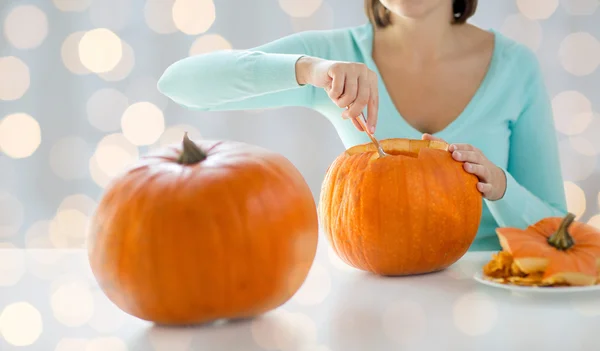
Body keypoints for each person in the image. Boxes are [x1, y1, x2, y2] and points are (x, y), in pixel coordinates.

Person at [157, 0, 567, 251]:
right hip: (374, 297)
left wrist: (500, 186)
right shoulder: (333, 55)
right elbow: (179, 83)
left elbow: (558, 231)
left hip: (494, 291)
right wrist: (309, 69)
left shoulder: (516, 67)